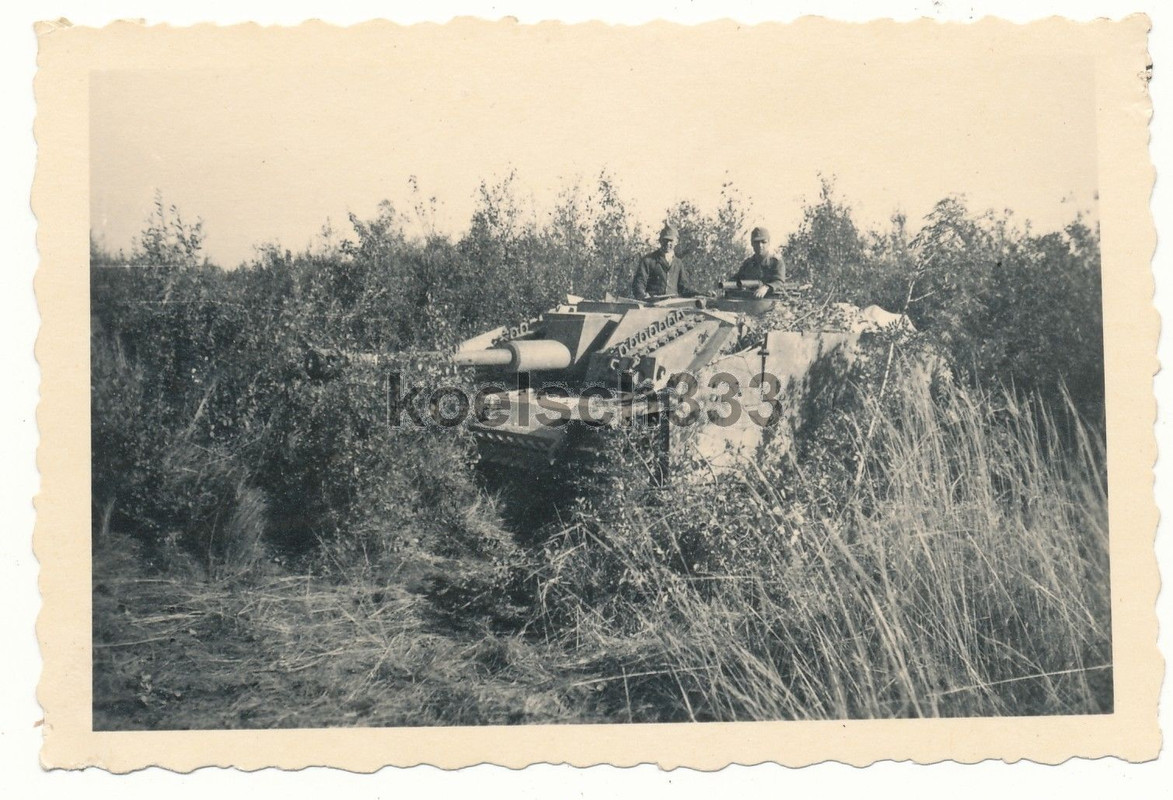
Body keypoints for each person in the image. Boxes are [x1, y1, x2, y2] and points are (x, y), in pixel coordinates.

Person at [631, 224, 695, 301]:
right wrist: (643, 295)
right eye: (665, 240)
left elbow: (684, 288)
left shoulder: (678, 263)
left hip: (672, 305)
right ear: (660, 241)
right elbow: (639, 283)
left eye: (671, 240)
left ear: (676, 241)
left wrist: (700, 294)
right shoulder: (648, 260)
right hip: (652, 305)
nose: (668, 244)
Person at [733, 227, 787, 298]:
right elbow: (737, 279)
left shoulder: (776, 262)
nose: (760, 245)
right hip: (750, 301)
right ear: (752, 243)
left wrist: (766, 287)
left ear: (769, 243)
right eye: (756, 242)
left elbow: (779, 281)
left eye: (763, 242)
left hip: (771, 301)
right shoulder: (748, 263)